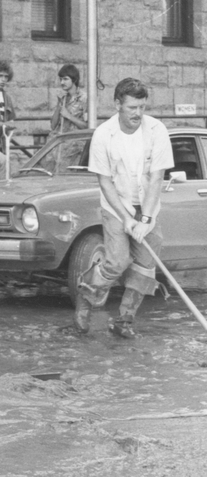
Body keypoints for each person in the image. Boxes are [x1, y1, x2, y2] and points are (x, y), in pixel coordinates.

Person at [75, 78, 173, 339]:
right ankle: (86, 298)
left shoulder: (156, 130)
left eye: (142, 107)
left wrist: (146, 218)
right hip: (116, 204)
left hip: (147, 205)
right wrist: (126, 218)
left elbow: (156, 178)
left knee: (146, 264)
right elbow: (104, 182)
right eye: (132, 108)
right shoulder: (103, 135)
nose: (138, 114)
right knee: (116, 261)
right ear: (118, 104)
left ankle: (124, 319)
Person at [48, 63, 88, 141]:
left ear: (74, 80)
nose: (62, 82)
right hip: (61, 145)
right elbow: (53, 126)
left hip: (76, 147)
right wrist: (59, 105)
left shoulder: (85, 98)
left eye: (65, 79)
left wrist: (68, 116)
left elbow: (88, 127)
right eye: (61, 79)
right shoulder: (63, 98)